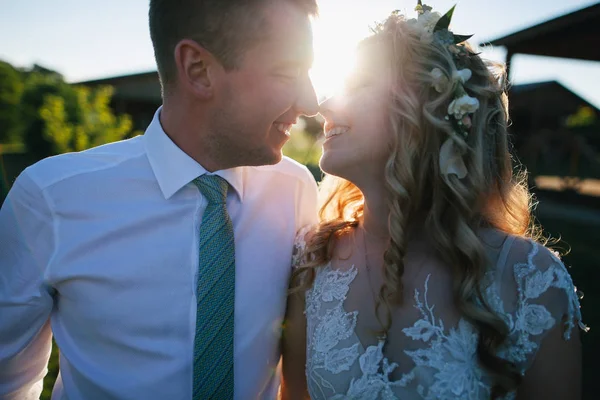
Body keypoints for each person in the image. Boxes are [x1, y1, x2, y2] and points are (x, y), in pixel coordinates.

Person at [0, 0, 320, 399]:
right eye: (288, 72)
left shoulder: (296, 189)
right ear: (197, 69)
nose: (311, 101)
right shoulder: (49, 198)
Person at [281, 3, 587, 399]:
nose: (324, 105)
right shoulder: (314, 260)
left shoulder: (532, 282)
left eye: (357, 85)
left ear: (428, 111)